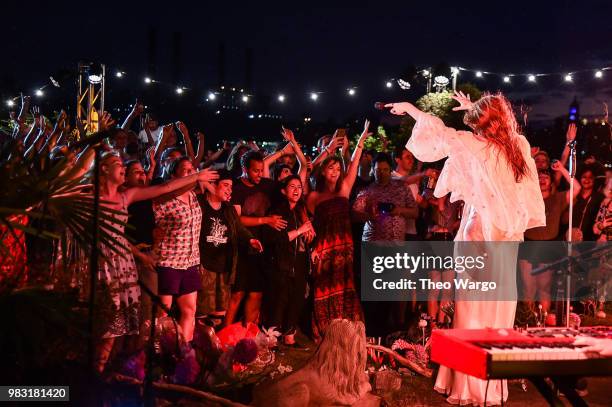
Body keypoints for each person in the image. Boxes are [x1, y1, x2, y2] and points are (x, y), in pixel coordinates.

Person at [387, 91, 545, 405]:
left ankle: (466, 381)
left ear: (483, 128)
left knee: (471, 308)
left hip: (478, 236)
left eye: (476, 125)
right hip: (504, 238)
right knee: (497, 310)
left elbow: (441, 134)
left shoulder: (473, 144)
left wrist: (410, 109)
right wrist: (477, 109)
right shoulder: (519, 146)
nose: (473, 131)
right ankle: (489, 386)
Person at [92, 150, 218, 373]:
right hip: (106, 262)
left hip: (126, 264)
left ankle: (111, 370)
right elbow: (165, 190)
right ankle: (103, 371)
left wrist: (197, 178)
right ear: (103, 169)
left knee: (119, 325)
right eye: (117, 163)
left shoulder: (126, 196)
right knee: (110, 323)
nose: (122, 167)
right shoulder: (92, 196)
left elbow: (166, 187)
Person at [306, 120, 372, 341]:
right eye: (330, 168)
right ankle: (325, 332)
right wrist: (312, 249)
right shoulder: (314, 197)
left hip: (344, 247)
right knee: (323, 287)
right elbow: (309, 226)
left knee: (345, 286)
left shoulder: (344, 189)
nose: (334, 172)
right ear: (323, 171)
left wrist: (361, 140)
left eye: (337, 168)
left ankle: (346, 332)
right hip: (324, 249)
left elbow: (353, 164)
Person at [152, 157, 218, 343]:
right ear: (173, 174)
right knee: (163, 311)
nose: (191, 173)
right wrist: (196, 178)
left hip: (190, 261)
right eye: (186, 170)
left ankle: (183, 351)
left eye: (193, 169)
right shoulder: (164, 198)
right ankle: (156, 351)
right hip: (169, 260)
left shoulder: (193, 196)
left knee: (190, 310)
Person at [227, 151, 287, 326]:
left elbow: (294, 190)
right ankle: (224, 335)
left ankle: (248, 336)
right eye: (256, 171)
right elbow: (237, 220)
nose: (260, 174)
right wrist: (266, 220)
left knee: (256, 293)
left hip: (262, 249)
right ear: (245, 169)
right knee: (237, 294)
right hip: (241, 247)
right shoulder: (237, 187)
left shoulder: (267, 185)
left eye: (262, 170)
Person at [197, 169, 263, 326]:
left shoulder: (228, 209)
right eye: (225, 185)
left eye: (231, 187)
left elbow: (239, 228)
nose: (229, 190)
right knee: (201, 311)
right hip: (204, 266)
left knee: (219, 312)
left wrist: (251, 240)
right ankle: (196, 346)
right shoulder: (200, 203)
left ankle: (215, 346)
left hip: (224, 266)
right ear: (213, 185)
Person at [519, 163, 580, 314]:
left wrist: (561, 169)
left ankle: (543, 324)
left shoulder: (558, 199)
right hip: (529, 246)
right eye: (539, 177)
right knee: (528, 289)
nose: (542, 179)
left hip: (548, 246)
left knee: (544, 289)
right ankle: (530, 323)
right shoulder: (527, 199)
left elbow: (577, 188)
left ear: (551, 182)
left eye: (546, 177)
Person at [262, 175, 315, 344]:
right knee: (279, 299)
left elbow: (307, 236)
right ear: (284, 191)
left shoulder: (301, 211)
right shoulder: (278, 211)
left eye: (299, 187)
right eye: (292, 187)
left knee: (297, 298)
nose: (296, 190)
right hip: (281, 262)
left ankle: (290, 337)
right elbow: (275, 239)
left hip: (300, 260)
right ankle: (272, 338)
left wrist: (311, 246)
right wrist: (300, 231)